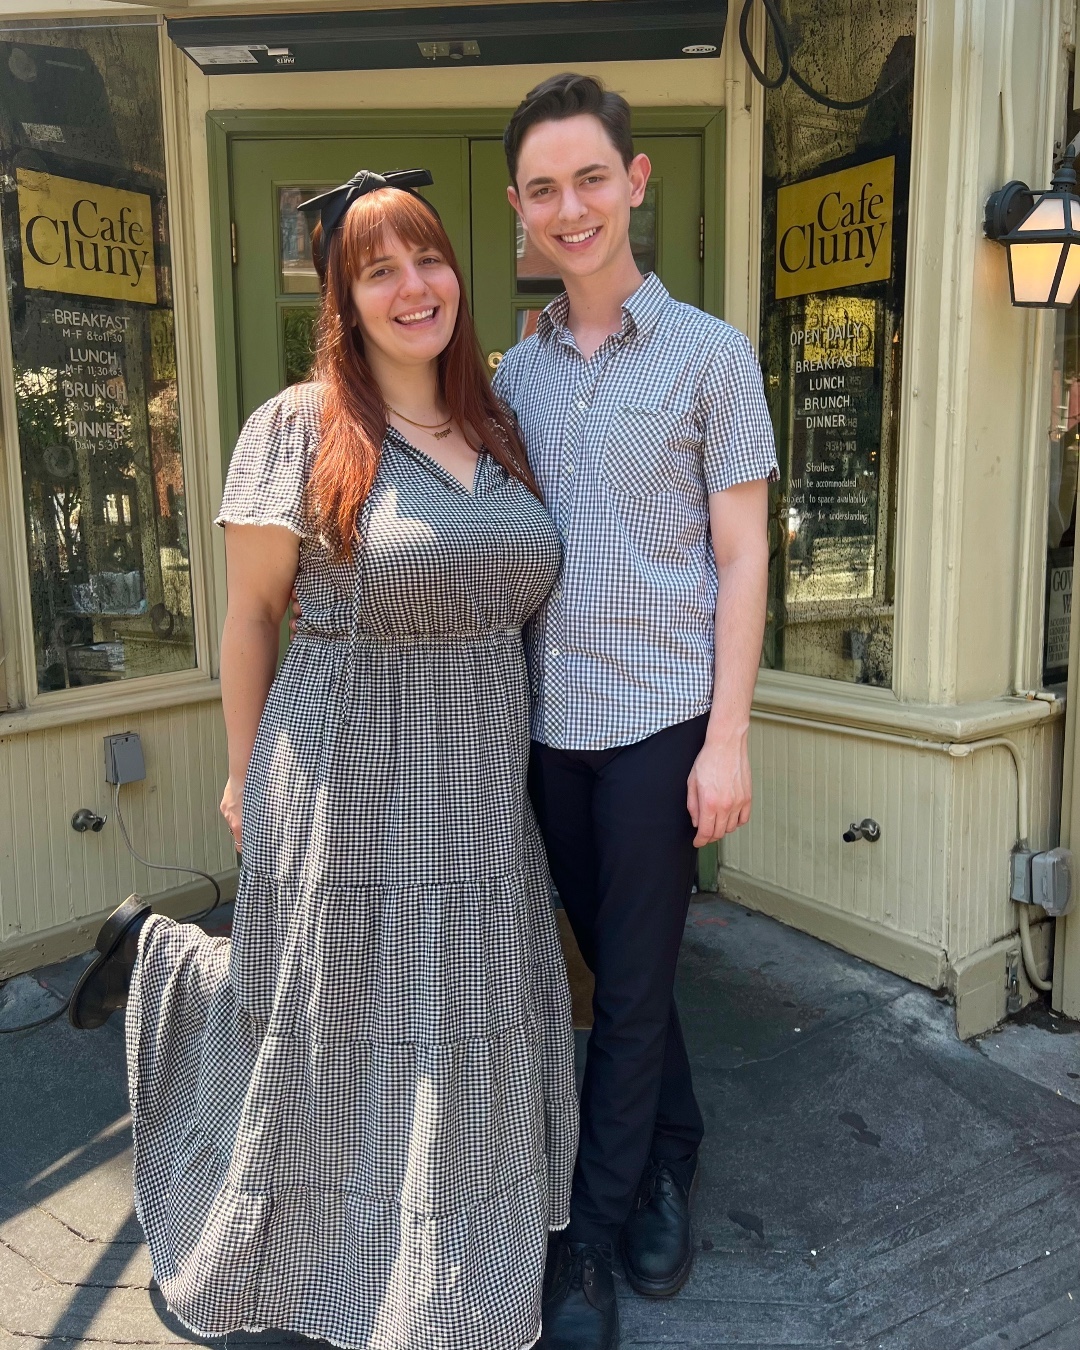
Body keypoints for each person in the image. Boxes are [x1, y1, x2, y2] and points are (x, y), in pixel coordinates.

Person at [67, 169, 578, 1350]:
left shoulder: (498, 425)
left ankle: (448, 1261)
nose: (415, 287)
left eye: (429, 259)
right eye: (378, 270)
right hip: (346, 770)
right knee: (327, 1013)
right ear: (342, 301)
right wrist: (241, 771)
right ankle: (328, 1249)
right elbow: (252, 616)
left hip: (477, 779)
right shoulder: (299, 426)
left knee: (461, 1012)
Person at [494, 76, 778, 1350]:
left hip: (663, 722)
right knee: (626, 971)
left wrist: (728, 738)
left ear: (636, 181)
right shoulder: (512, 376)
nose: (572, 208)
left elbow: (744, 557)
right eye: (545, 189)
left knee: (625, 992)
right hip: (550, 728)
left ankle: (591, 1241)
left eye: (591, 179)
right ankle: (674, 1147)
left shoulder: (713, 355)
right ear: (520, 207)